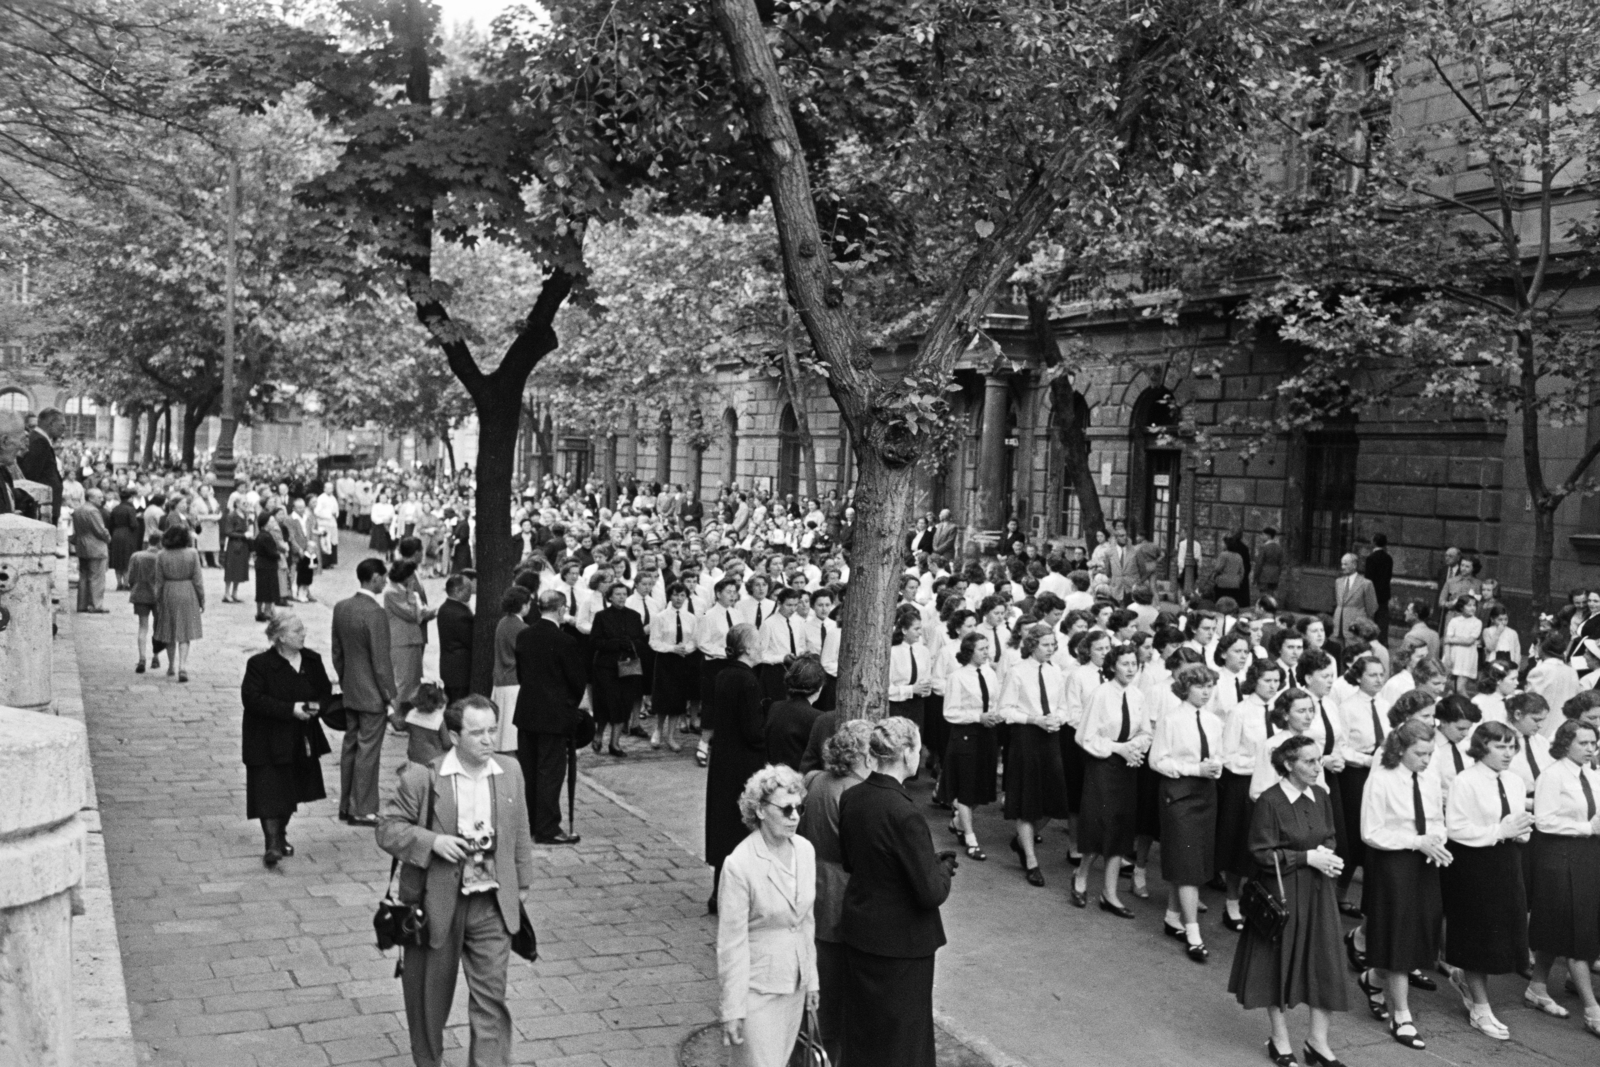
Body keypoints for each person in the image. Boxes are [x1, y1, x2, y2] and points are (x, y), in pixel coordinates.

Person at [376, 696, 535, 1067]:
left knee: (490, 999)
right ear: (453, 735)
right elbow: (387, 829)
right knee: (429, 1002)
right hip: (436, 905)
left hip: (491, 904)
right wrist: (433, 842)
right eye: (476, 732)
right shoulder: (423, 777)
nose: (487, 740)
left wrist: (521, 883)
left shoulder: (509, 771)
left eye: (492, 730)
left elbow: (520, 829)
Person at [838, 717, 955, 1067]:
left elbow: (852, 861)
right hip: (902, 945)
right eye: (917, 749)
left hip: (862, 930)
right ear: (906, 754)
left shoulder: (852, 796)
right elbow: (930, 893)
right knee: (904, 1042)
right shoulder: (905, 813)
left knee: (863, 1035)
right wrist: (943, 869)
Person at [1228, 733, 1348, 1067]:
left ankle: (1317, 1042)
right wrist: (1306, 858)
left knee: (1324, 963)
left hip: (1318, 892)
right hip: (1284, 893)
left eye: (1318, 759)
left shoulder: (1321, 795)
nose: (1317, 767)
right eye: (1309, 761)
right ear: (1288, 764)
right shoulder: (1270, 800)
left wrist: (1327, 855)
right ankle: (1280, 1040)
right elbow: (1260, 852)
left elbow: (1330, 837)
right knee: (1276, 965)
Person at [715, 764, 820, 1067]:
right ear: (760, 811)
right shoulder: (740, 865)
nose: (795, 817)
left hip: (793, 986)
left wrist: (811, 980)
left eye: (799, 807)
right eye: (786, 809)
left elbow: (806, 921)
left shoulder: (805, 851)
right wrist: (732, 1009)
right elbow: (731, 943)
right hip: (757, 992)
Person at [1356, 719, 1450, 1049]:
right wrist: (1415, 841)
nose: (1426, 760)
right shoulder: (1381, 779)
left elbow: (1437, 817)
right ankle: (1402, 1016)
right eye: (1419, 753)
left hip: (1425, 860)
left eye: (1429, 753)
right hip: (1392, 862)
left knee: (1420, 929)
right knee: (1399, 933)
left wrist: (1437, 839)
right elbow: (1371, 831)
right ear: (1400, 749)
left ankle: (1372, 979)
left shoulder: (1427, 776)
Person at [1441, 721, 1534, 1041]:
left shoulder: (1514, 781)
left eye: (1512, 747)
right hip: (1472, 866)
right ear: (1482, 747)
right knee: (1478, 937)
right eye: (1500, 746)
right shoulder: (1465, 781)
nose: (1508, 753)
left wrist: (1520, 830)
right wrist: (1499, 832)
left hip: (1507, 862)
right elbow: (1455, 829)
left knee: (1502, 933)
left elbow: (1513, 823)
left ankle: (1466, 983)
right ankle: (1480, 1009)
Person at [799, 719, 872, 1065]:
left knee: (817, 975)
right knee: (836, 988)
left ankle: (808, 1047)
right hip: (841, 890)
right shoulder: (855, 793)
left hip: (812, 881)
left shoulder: (815, 780)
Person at [1525, 719, 1600, 1036]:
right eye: (1583, 743)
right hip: (1559, 858)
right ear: (1565, 742)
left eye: (1593, 743)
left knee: (1560, 924)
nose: (1590, 748)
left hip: (1588, 857)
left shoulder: (1592, 775)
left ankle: (1537, 986)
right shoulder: (1552, 775)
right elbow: (1543, 821)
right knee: (1575, 930)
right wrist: (1587, 828)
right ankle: (1592, 1008)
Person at [240, 612, 332, 867]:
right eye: (296, 631)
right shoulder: (259, 664)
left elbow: (325, 693)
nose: (303, 634)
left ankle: (280, 834)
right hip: (266, 738)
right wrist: (290, 709)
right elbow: (252, 699)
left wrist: (315, 707)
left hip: (301, 737)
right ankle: (271, 844)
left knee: (293, 788)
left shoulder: (312, 661)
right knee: (269, 790)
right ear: (280, 637)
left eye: (303, 629)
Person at [1151, 662, 1223, 962]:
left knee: (1191, 858)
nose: (1205, 692)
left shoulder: (1214, 720)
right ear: (1185, 688)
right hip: (1179, 793)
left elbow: (1219, 753)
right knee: (1187, 859)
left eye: (1209, 686)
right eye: (1199, 686)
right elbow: (1157, 761)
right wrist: (1194, 768)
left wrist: (1217, 765)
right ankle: (1193, 932)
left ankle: (1172, 915)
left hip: (1206, 793)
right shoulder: (1171, 720)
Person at [1071, 642, 1148, 914]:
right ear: (1113, 665)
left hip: (1129, 766)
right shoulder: (1100, 695)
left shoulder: (1138, 695)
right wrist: (1119, 749)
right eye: (1125, 663)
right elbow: (1084, 736)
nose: (1130, 668)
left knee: (1121, 827)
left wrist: (1136, 749)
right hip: (1103, 765)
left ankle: (1110, 893)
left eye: (1134, 664)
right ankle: (1080, 877)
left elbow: (1145, 731)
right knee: (1099, 824)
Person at [512, 589, 585, 845]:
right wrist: (569, 706)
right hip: (554, 715)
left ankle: (531, 821)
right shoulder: (565, 641)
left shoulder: (524, 635)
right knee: (550, 772)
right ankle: (548, 827)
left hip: (528, 711)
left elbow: (522, 674)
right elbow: (577, 682)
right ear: (561, 608)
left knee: (529, 770)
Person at [705, 624, 767, 914]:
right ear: (748, 648)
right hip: (744, 762)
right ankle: (736, 897)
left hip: (723, 760)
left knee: (723, 825)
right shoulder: (748, 681)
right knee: (741, 827)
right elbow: (753, 731)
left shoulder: (723, 674)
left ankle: (718, 892)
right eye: (758, 643)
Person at [331, 558, 398, 827]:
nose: (385, 582)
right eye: (383, 578)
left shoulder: (342, 607)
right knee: (369, 752)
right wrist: (390, 697)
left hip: (352, 689)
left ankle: (347, 804)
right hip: (372, 693)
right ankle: (363, 808)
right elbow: (381, 662)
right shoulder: (375, 613)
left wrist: (346, 679)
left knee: (351, 747)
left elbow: (337, 652)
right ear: (374, 578)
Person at [1000, 625, 1069, 884]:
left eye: (1053, 644)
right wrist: (1033, 720)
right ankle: (1030, 859)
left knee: (1053, 800)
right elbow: (1005, 710)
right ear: (1031, 645)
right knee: (1027, 801)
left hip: (1050, 737)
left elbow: (1064, 707)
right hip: (1026, 738)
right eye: (1046, 645)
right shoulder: (1017, 672)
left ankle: (1021, 839)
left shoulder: (1056, 672)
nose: (1051, 649)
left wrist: (1057, 719)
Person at [590, 581, 648, 757]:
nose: (622, 597)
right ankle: (599, 734)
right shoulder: (601, 616)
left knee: (624, 703)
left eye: (624, 594)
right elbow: (594, 641)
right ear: (610, 597)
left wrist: (631, 644)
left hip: (628, 666)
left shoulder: (634, 616)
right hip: (607, 666)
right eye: (618, 594)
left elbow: (641, 640)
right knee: (607, 703)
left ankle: (614, 743)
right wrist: (615, 644)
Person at [648, 580, 699, 751]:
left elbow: (694, 640)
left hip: (683, 661)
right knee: (663, 698)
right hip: (665, 661)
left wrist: (687, 649)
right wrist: (672, 648)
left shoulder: (691, 618)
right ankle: (658, 731)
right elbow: (654, 642)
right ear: (670, 596)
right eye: (676, 594)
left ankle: (671, 736)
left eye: (682, 595)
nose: (679, 598)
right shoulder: (660, 617)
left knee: (678, 700)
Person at [151, 524, 205, 682]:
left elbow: (158, 581)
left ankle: (171, 666)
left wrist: (158, 599)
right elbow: (198, 579)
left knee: (169, 631)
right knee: (184, 633)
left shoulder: (162, 555)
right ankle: (182, 666)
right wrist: (202, 599)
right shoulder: (192, 553)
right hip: (188, 592)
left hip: (169, 591)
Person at [386, 560, 437, 714]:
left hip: (412, 640)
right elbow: (411, 613)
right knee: (402, 682)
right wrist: (412, 595)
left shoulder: (406, 591)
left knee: (413, 681)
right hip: (401, 641)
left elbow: (419, 612)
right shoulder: (392, 592)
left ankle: (405, 715)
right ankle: (395, 716)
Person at [764, 657, 826, 772]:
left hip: (774, 777)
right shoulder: (818, 718)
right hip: (799, 782)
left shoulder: (775, 707)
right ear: (819, 688)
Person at [490, 586, 531, 753]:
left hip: (501, 680)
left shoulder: (503, 622)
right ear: (522, 605)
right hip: (514, 682)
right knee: (511, 735)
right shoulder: (520, 627)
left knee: (503, 732)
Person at [126, 531, 167, 674]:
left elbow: (130, 578)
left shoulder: (136, 556)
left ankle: (142, 658)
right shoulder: (162, 558)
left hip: (140, 594)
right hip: (157, 597)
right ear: (160, 542)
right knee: (157, 627)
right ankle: (155, 656)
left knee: (142, 627)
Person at [17, 407, 64, 521]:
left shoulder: (41, 440)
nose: (64, 429)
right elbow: (30, 476)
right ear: (51, 423)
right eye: (62, 425)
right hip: (42, 509)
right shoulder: (39, 441)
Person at [437, 572, 476, 704]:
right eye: (468, 590)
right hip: (460, 671)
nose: (471, 593)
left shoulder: (446, 608)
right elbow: (471, 640)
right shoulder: (459, 614)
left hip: (449, 669)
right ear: (457, 591)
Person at [73, 488, 112, 612]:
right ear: (90, 498)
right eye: (99, 497)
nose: (102, 499)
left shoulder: (78, 510)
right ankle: (96, 605)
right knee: (97, 577)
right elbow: (100, 530)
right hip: (95, 546)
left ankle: (82, 604)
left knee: (84, 576)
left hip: (82, 545)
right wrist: (108, 538)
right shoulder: (93, 511)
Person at [1331, 553, 1378, 644]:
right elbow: (1338, 602)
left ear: (1354, 565)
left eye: (1345, 564)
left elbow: (1372, 608)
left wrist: (1362, 623)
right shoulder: (1338, 582)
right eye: (1342, 564)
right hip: (1338, 627)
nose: (1342, 567)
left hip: (1355, 629)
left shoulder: (1365, 583)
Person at [253, 511, 283, 622]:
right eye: (271, 521)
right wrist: (280, 554)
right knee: (269, 589)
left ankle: (259, 612)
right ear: (265, 523)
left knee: (260, 589)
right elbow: (271, 552)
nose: (273, 522)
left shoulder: (260, 535)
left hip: (261, 564)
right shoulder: (266, 537)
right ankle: (267, 612)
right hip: (268, 565)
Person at [221, 495, 252, 604]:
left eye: (247, 503)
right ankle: (227, 593)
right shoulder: (232, 515)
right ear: (237, 504)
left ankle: (235, 593)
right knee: (231, 569)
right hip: (234, 545)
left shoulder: (245, 515)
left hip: (243, 545)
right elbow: (228, 532)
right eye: (244, 503)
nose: (246, 506)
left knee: (239, 570)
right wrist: (243, 535)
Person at [107, 487, 140, 590]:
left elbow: (110, 524)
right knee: (127, 559)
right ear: (130, 498)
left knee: (118, 559)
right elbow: (133, 524)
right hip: (127, 534)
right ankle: (126, 583)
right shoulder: (131, 509)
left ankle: (119, 583)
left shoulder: (115, 509)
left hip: (116, 533)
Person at [1366, 534, 1394, 639]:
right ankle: (1383, 641)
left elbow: (1368, 579)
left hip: (1373, 593)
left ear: (1374, 542)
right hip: (1384, 594)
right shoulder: (1388, 558)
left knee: (1371, 620)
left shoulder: (1371, 558)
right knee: (1383, 620)